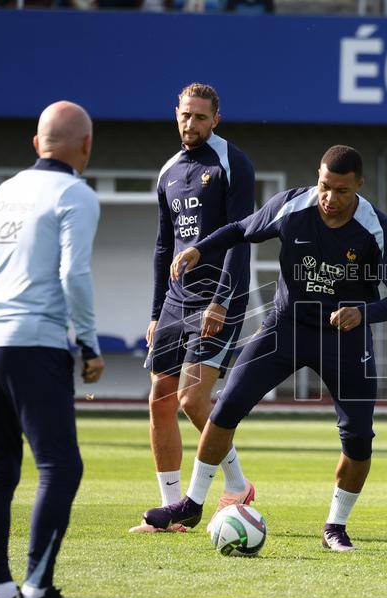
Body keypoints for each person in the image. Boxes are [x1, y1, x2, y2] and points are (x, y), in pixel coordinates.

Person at [132, 145, 387, 551]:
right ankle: (191, 505)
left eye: (340, 191)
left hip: (345, 338)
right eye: (324, 186)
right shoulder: (292, 206)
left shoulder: (376, 228)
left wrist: (363, 312)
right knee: (225, 407)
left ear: (359, 187)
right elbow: (239, 229)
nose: (329, 198)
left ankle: (335, 526)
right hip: (285, 327)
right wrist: (199, 249)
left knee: (358, 439)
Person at [0, 100, 103, 598]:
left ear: (35, 143)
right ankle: (37, 593)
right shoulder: (75, 194)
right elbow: (74, 276)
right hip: (35, 340)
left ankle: (0, 593)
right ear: (86, 146)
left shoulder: (3, 192)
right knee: (60, 466)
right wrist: (87, 343)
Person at [131, 82, 257, 534]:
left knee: (191, 398)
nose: (192, 124)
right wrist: (153, 311)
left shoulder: (232, 163)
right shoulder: (168, 171)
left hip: (219, 296)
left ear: (215, 120)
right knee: (159, 401)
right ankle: (170, 511)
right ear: (176, 114)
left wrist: (221, 301)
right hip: (174, 301)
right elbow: (164, 245)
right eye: (186, 115)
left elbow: (240, 240)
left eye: (201, 117)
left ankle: (237, 484)